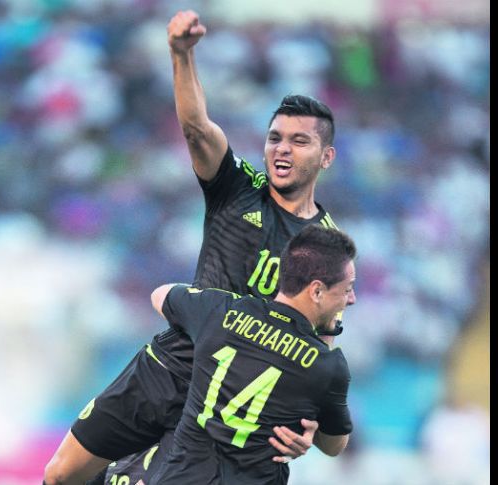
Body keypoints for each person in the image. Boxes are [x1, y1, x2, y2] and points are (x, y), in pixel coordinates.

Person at [43, 9, 345, 485]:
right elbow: (198, 129)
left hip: (229, 405)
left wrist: (307, 426)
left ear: (325, 156)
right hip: (169, 367)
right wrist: (181, 54)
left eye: (299, 141)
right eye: (274, 138)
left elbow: (320, 347)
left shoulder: (328, 246)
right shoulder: (238, 187)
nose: (282, 150)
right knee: (63, 475)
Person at [143, 224, 356, 484]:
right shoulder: (326, 364)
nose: (351, 298)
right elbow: (335, 446)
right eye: (346, 289)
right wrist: (326, 339)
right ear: (317, 291)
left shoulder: (221, 311)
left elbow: (159, 294)